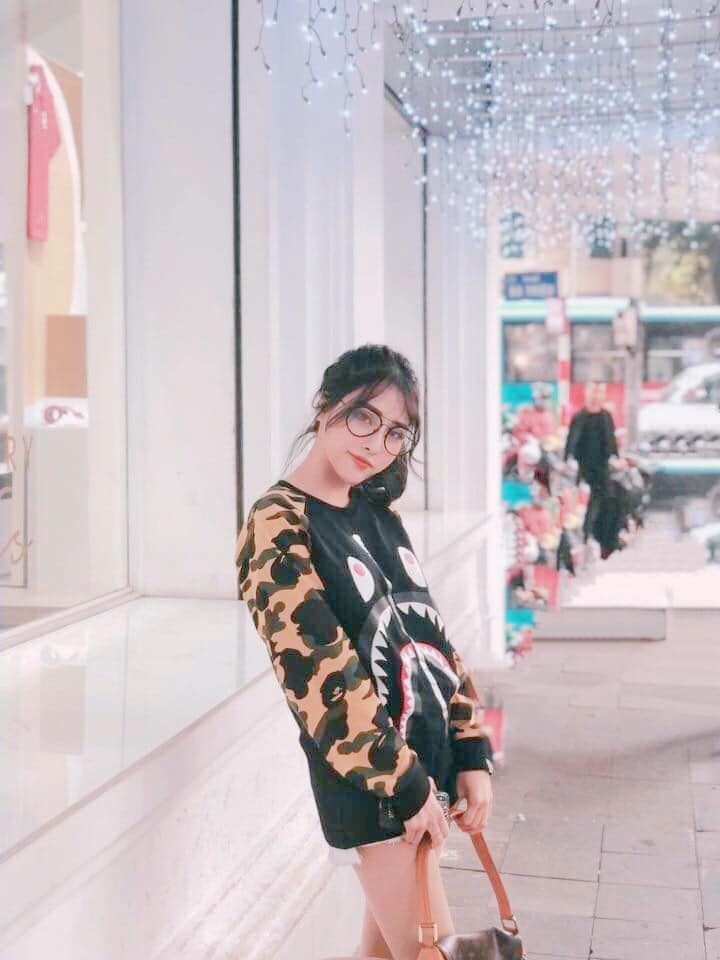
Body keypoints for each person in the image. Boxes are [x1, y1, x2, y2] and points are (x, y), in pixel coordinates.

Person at [235, 345, 494, 960]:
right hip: (374, 783)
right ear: (325, 405)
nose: (377, 444)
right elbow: (319, 677)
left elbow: (431, 638)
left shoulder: (376, 512)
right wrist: (405, 784)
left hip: (421, 769)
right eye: (363, 417)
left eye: (395, 432)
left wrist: (470, 749)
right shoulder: (278, 523)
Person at [564, 381, 621, 544]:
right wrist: (569, 461)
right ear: (586, 394)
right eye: (593, 392)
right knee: (590, 500)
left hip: (602, 467)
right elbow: (571, 442)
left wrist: (615, 458)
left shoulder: (606, 416)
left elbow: (611, 442)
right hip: (583, 467)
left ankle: (604, 535)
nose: (596, 396)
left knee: (608, 499)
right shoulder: (579, 417)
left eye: (600, 392)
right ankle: (586, 533)